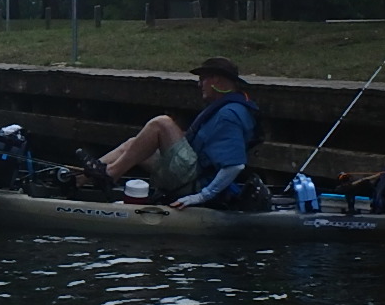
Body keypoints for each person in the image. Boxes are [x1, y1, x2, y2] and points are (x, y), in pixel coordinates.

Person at [85, 56, 260, 208]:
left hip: (195, 184)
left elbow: (235, 165)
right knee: (133, 145)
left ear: (216, 80)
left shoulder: (229, 115)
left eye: (203, 79)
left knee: (161, 123)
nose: (199, 84)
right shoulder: (224, 110)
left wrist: (201, 196)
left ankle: (110, 174)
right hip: (191, 174)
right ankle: (81, 179)